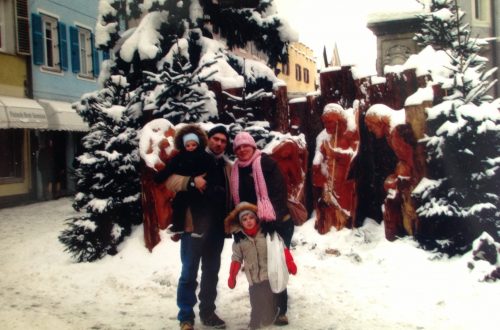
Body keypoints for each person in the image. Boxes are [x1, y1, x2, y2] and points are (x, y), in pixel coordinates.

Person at [164, 125, 232, 330]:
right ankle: (186, 316)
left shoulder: (227, 166)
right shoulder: (189, 157)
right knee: (189, 272)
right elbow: (170, 181)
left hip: (216, 229)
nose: (219, 143)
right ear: (208, 139)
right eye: (216, 139)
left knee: (211, 272)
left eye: (223, 141)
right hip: (192, 225)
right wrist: (192, 181)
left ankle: (208, 312)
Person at [230, 131, 294, 326]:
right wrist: (238, 227)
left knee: (276, 266)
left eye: (245, 145)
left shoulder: (266, 163)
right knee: (259, 268)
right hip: (249, 226)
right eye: (238, 147)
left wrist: (269, 221)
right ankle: (264, 309)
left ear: (253, 146)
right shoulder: (235, 170)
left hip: (275, 222)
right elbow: (236, 202)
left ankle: (281, 309)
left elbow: (278, 191)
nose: (242, 150)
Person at [225, 202, 297, 330]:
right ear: (240, 222)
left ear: (257, 218)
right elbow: (236, 258)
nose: (248, 221)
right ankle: (254, 322)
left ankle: (271, 313)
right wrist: (232, 276)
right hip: (253, 278)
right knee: (255, 302)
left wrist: (290, 263)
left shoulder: (267, 232)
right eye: (244, 219)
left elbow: (281, 248)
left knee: (268, 303)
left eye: (251, 217)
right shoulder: (240, 240)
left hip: (268, 275)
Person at [155, 124, 215, 235]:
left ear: (198, 144)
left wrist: (207, 181)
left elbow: (211, 169)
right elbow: (170, 169)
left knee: (198, 207)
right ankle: (178, 225)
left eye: (193, 145)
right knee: (178, 203)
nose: (191, 147)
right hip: (185, 188)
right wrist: (159, 177)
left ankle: (199, 228)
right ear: (183, 146)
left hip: (199, 189)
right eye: (188, 145)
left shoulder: (204, 156)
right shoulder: (179, 157)